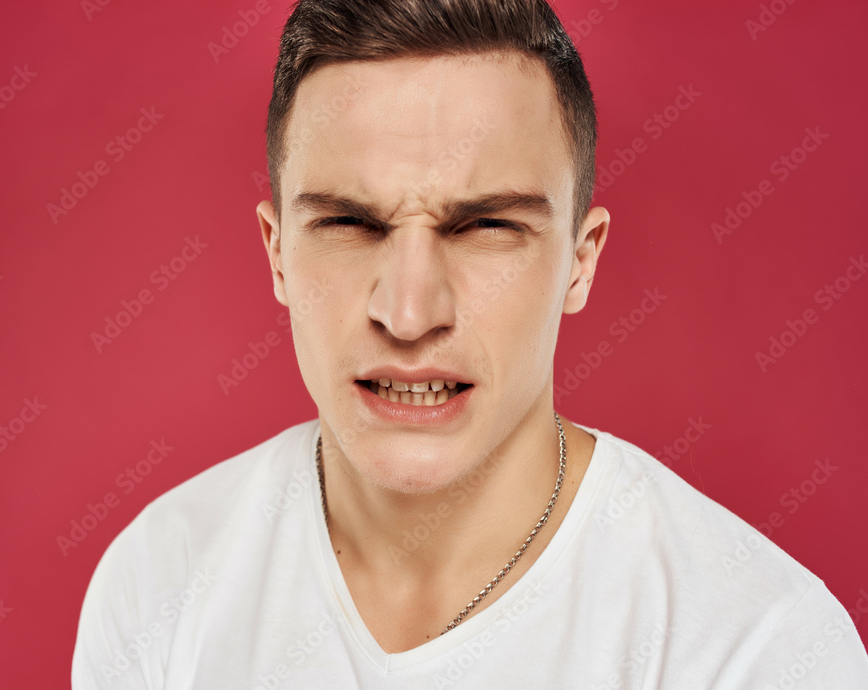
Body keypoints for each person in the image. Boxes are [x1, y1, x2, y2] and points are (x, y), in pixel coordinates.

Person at [72, 0, 868, 687]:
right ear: (278, 253)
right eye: (349, 224)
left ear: (578, 264)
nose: (410, 313)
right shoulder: (158, 584)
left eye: (486, 226)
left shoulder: (759, 647)